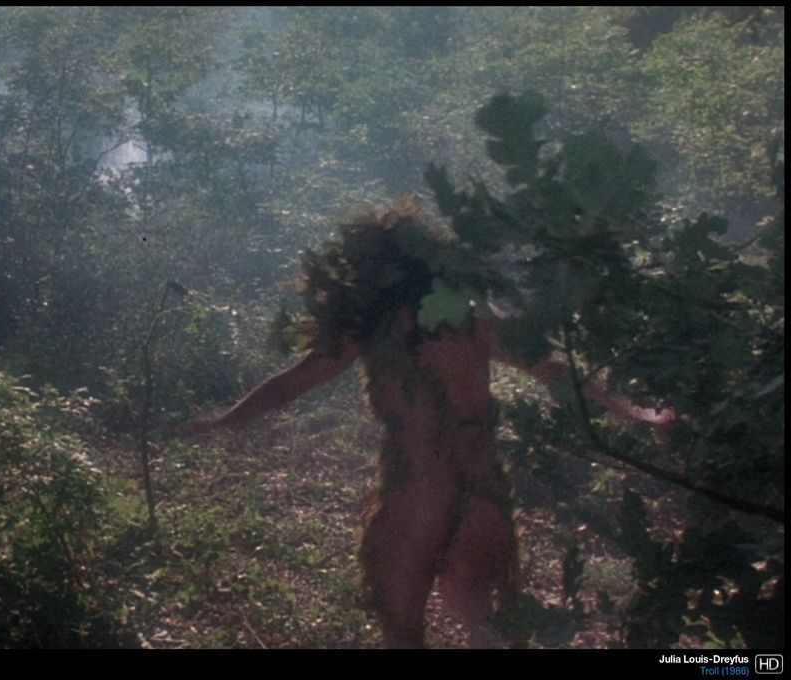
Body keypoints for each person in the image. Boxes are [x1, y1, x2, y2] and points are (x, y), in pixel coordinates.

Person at [180, 202, 672, 647]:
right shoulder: (469, 320)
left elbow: (292, 383)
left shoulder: (373, 328)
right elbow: (554, 371)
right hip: (476, 487)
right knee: (478, 619)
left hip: (418, 491)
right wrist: (636, 413)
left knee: (406, 631)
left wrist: (224, 422)